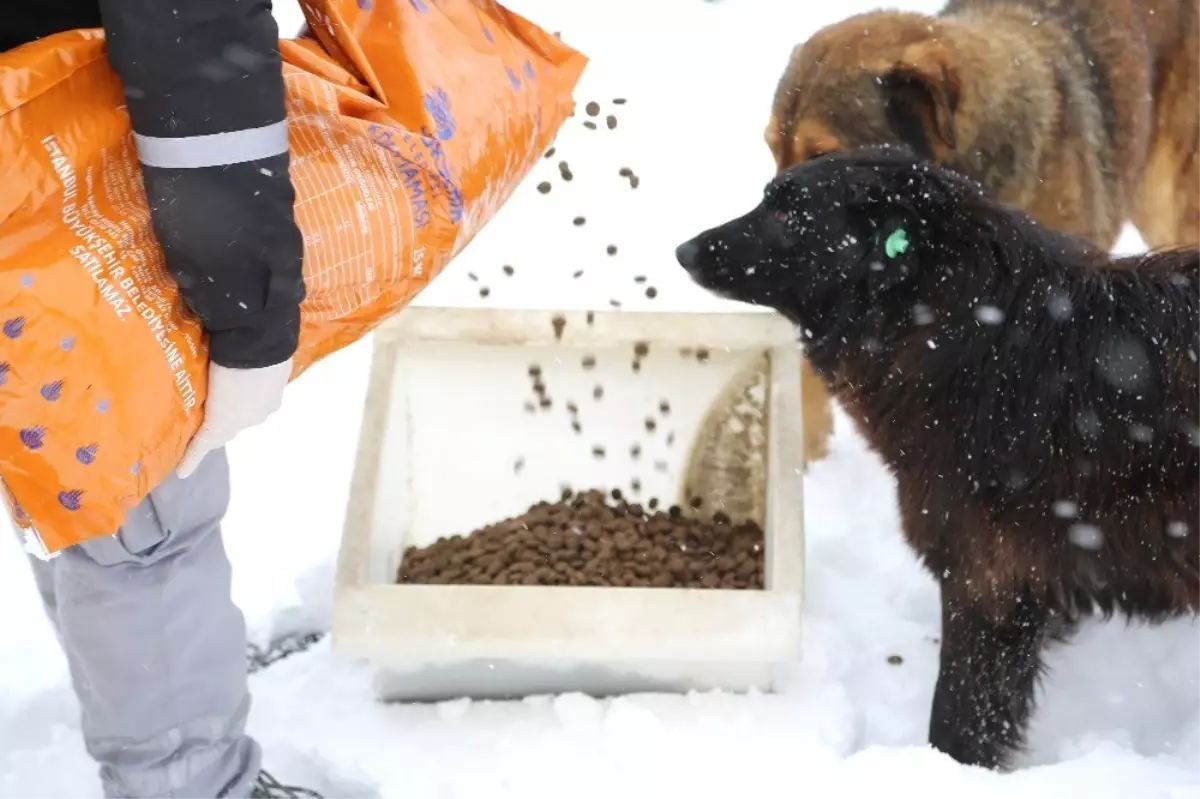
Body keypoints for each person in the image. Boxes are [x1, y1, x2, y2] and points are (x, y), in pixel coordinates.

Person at [6, 2, 319, 797]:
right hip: (44, 189)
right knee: (145, 521)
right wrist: (249, 320)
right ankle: (190, 776)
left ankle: (158, 692)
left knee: (62, 482)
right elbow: (197, 60)